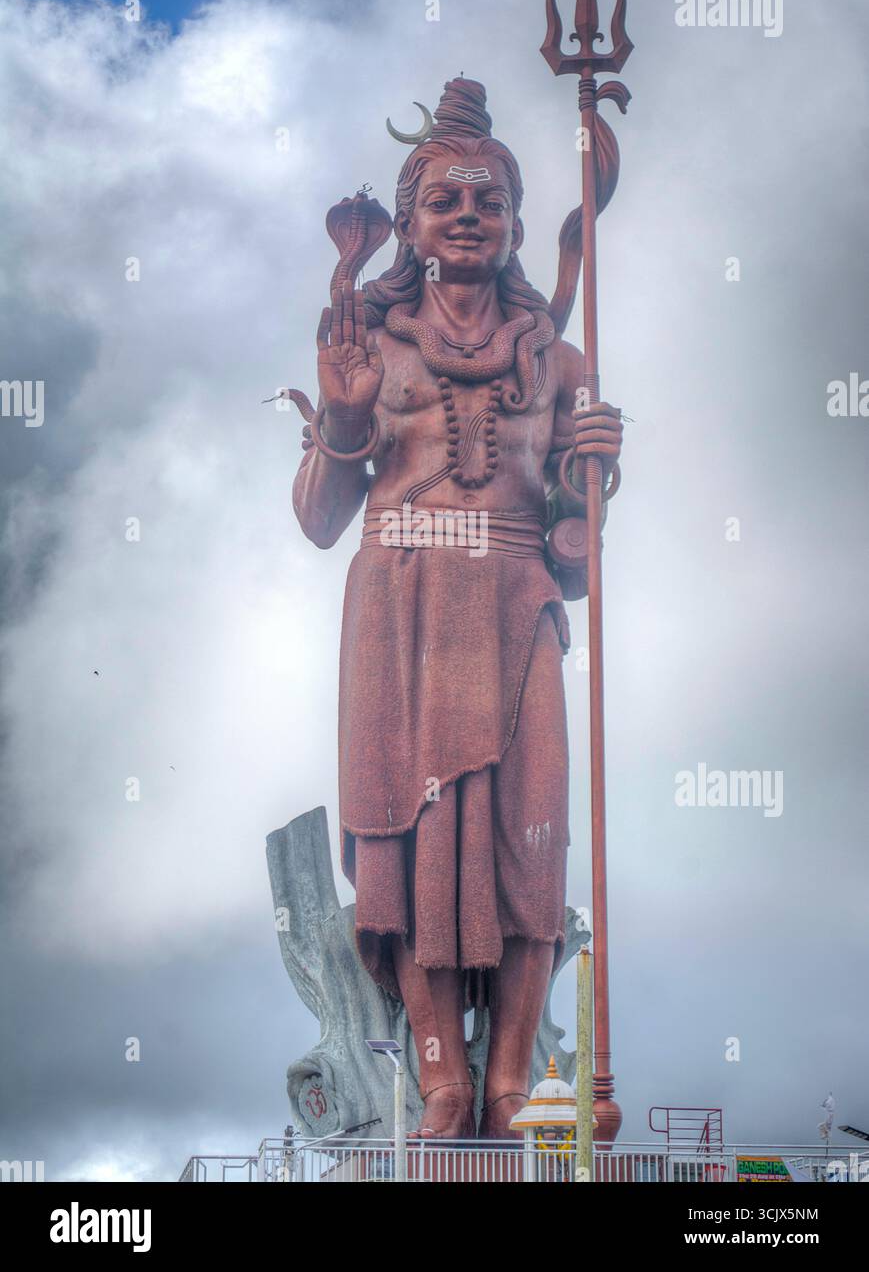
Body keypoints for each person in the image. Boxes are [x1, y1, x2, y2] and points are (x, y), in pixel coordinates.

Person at [292, 78, 622, 1140]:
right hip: (400, 602)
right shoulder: (368, 348)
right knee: (413, 844)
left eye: (488, 200)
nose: (469, 214)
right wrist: (342, 421)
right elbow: (314, 519)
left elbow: (574, 559)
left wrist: (594, 479)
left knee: (530, 837)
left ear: (519, 227)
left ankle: (512, 1077)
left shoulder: (559, 362)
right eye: (445, 200)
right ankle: (442, 1076)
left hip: (516, 594)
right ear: (412, 227)